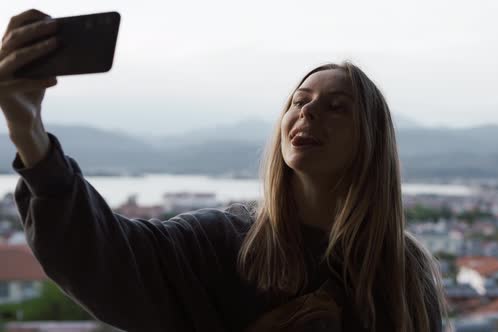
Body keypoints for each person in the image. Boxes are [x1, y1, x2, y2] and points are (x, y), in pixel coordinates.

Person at [0, 9, 446, 332]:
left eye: (336, 107)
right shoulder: (219, 242)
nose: (308, 112)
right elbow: (103, 254)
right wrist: (30, 134)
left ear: (372, 140)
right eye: (299, 100)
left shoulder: (402, 272)